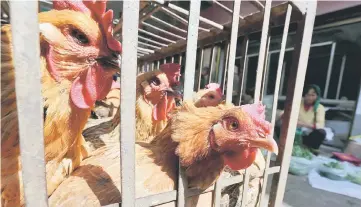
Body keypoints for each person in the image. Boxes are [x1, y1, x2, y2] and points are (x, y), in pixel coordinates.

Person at [276, 84, 326, 151]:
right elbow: (283, 115)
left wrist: (300, 123)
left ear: (317, 96)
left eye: (313, 95)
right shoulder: (297, 102)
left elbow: (320, 125)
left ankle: (311, 149)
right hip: (293, 131)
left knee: (321, 133)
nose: (310, 98)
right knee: (280, 124)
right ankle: (285, 146)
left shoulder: (320, 108)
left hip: (307, 133)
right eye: (308, 95)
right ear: (304, 95)